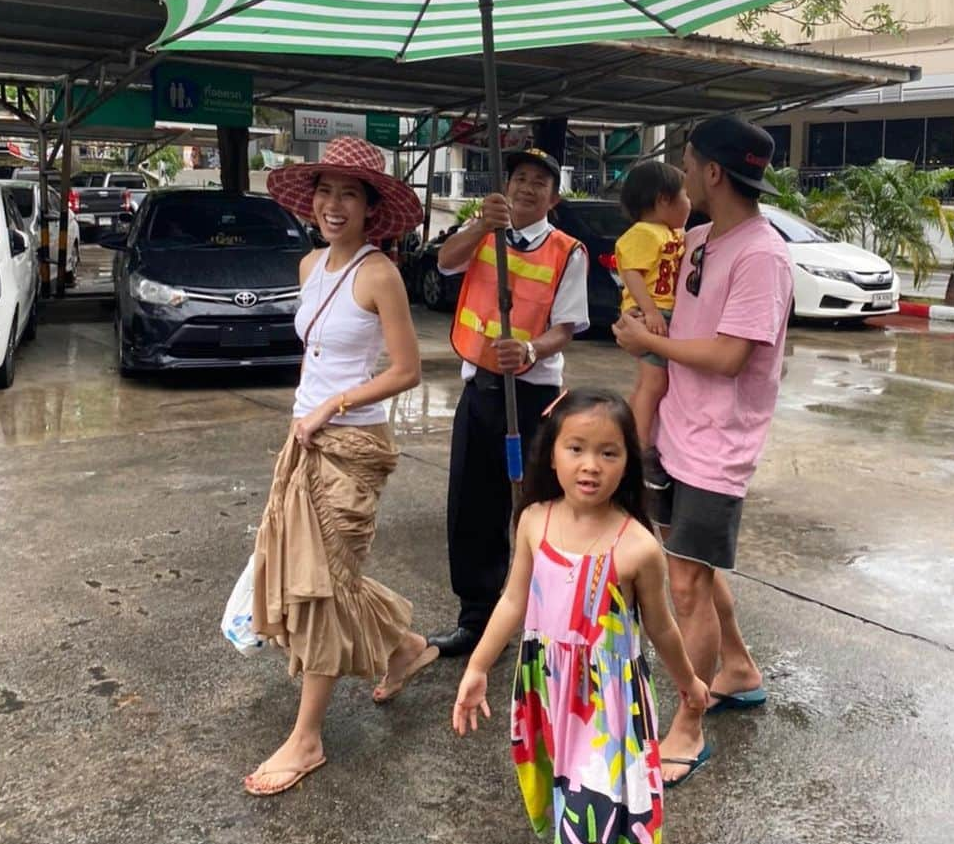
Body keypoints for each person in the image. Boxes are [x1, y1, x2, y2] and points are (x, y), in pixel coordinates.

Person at [452, 390, 709, 844]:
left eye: (609, 453)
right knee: (573, 802)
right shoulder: (534, 522)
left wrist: (688, 683)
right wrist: (477, 667)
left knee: (594, 816)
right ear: (553, 456)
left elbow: (661, 628)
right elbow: (513, 602)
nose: (591, 465)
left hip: (609, 711)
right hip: (547, 695)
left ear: (628, 464)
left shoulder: (637, 546)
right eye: (576, 448)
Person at [244, 137, 437, 797]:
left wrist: (336, 404)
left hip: (354, 448)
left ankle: (307, 739)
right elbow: (316, 354)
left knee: (323, 587)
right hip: (306, 439)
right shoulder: (309, 267)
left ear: (370, 206)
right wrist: (305, 411)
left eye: (348, 194)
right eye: (325, 191)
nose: (333, 204)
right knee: (320, 575)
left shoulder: (379, 273)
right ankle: (405, 646)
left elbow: (407, 371)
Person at [612, 116, 794, 787]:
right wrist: (646, 329)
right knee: (696, 568)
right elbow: (681, 328)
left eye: (688, 164)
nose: (683, 176)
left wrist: (648, 345)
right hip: (676, 431)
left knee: (684, 581)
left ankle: (687, 725)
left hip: (720, 446)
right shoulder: (693, 242)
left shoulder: (761, 255)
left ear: (713, 172)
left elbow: (726, 356)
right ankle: (738, 668)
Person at [427, 148, 590, 659]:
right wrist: (479, 227)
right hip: (481, 391)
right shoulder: (482, 234)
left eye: (539, 181)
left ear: (554, 196)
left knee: (536, 509)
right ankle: (476, 618)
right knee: (471, 507)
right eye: (518, 177)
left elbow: (566, 325)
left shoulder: (568, 251)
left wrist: (531, 349)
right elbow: (445, 263)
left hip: (534, 396)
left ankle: (544, 620)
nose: (526, 187)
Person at [613, 161, 690, 461]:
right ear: (663, 200)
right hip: (652, 314)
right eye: (684, 195)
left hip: (662, 312)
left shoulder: (669, 232)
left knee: (655, 381)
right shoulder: (645, 232)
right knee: (653, 382)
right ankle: (638, 448)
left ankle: (638, 440)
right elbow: (631, 272)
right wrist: (650, 311)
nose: (689, 202)